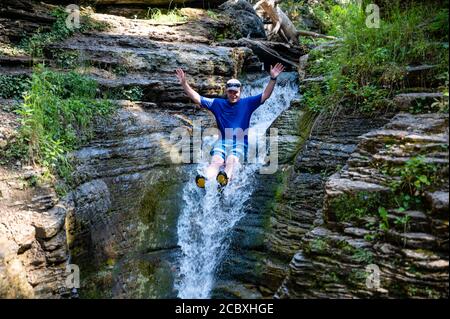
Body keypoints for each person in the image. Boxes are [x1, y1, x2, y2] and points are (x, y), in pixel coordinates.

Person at [175, 63, 285, 189]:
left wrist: (273, 78)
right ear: (227, 92)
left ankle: (224, 180)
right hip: (222, 142)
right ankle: (204, 179)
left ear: (240, 91)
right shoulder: (217, 103)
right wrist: (184, 84)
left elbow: (265, 95)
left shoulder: (248, 103)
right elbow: (197, 98)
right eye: (231, 92)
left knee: (231, 160)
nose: (234, 95)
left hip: (240, 142)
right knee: (216, 161)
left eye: (236, 92)